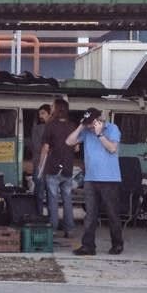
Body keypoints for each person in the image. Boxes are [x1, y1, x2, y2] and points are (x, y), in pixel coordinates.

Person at [67, 107, 124, 256]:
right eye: (88, 124)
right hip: (90, 178)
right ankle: (88, 246)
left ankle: (117, 244)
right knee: (90, 215)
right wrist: (81, 126)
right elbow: (69, 141)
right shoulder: (86, 131)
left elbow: (112, 148)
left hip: (110, 179)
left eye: (92, 123)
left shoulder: (112, 129)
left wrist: (99, 135)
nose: (90, 127)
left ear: (100, 120)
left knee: (112, 213)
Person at [37, 98, 76, 238]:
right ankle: (69, 229)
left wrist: (40, 166)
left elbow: (45, 148)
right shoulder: (72, 126)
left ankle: (53, 229)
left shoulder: (51, 125)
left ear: (57, 108)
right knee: (67, 199)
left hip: (53, 167)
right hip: (68, 168)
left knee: (53, 199)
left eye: (52, 106)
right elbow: (76, 147)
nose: (51, 108)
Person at [30, 104, 51, 217]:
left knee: (46, 193)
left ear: (50, 114)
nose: (40, 116)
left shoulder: (52, 127)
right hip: (41, 163)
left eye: (43, 113)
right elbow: (36, 146)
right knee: (41, 192)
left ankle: (46, 217)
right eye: (39, 114)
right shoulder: (38, 128)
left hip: (47, 164)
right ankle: (40, 216)